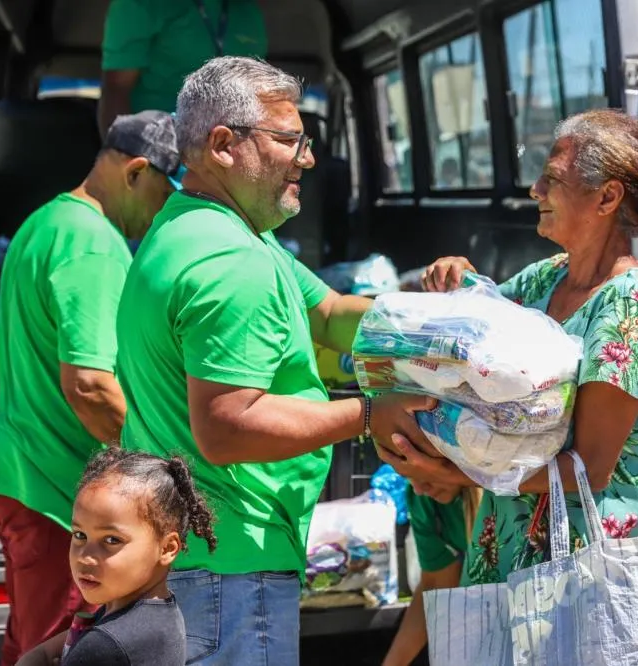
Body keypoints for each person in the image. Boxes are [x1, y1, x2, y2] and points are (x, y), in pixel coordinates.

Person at [113, 56, 434, 665]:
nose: (308, 158)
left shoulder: (205, 228)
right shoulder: (232, 263)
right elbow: (228, 426)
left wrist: (442, 327)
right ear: (224, 145)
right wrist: (368, 416)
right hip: (229, 567)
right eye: (289, 140)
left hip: (193, 558)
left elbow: (331, 311)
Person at [381, 108, 638, 587]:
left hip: (579, 579)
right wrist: (455, 277)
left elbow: (589, 469)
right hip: (513, 567)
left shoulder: (630, 307)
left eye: (551, 180)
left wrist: (461, 474)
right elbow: (484, 325)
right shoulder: (548, 277)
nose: (535, 192)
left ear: (607, 197)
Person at [0, 110, 180, 666]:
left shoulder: (46, 221)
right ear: (137, 172)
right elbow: (89, 385)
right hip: (56, 492)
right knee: (58, 653)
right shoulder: (94, 245)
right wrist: (155, 474)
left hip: (20, 472)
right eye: (166, 192)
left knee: (26, 650)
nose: (167, 211)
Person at [17, 448, 217, 666]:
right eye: (80, 535)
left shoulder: (107, 644)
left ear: (167, 548)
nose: (85, 557)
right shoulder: (155, 613)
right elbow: (45, 654)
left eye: (112, 540)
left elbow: (42, 655)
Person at [98, 0, 267, 135]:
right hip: (159, 152)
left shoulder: (248, 8)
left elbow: (259, 90)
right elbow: (116, 89)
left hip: (229, 150)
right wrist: (123, 159)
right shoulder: (138, 4)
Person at [383, 485, 482, 666]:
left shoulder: (505, 493)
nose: (419, 488)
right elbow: (435, 585)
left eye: (419, 470)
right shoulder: (421, 495)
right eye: (407, 475)